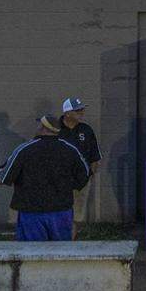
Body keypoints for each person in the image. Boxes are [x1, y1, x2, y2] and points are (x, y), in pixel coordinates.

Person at [0, 114, 90, 241]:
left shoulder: (25, 149)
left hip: (31, 213)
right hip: (61, 211)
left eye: (39, 124)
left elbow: (2, 177)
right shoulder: (70, 150)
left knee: (31, 254)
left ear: (43, 127)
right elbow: (84, 174)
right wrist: (68, 187)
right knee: (61, 252)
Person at [57, 96, 101, 240]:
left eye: (82, 109)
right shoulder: (55, 130)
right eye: (78, 110)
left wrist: (89, 174)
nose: (81, 112)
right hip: (58, 180)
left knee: (76, 214)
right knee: (58, 211)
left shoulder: (86, 130)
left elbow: (95, 155)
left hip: (80, 181)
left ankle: (70, 240)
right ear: (67, 113)